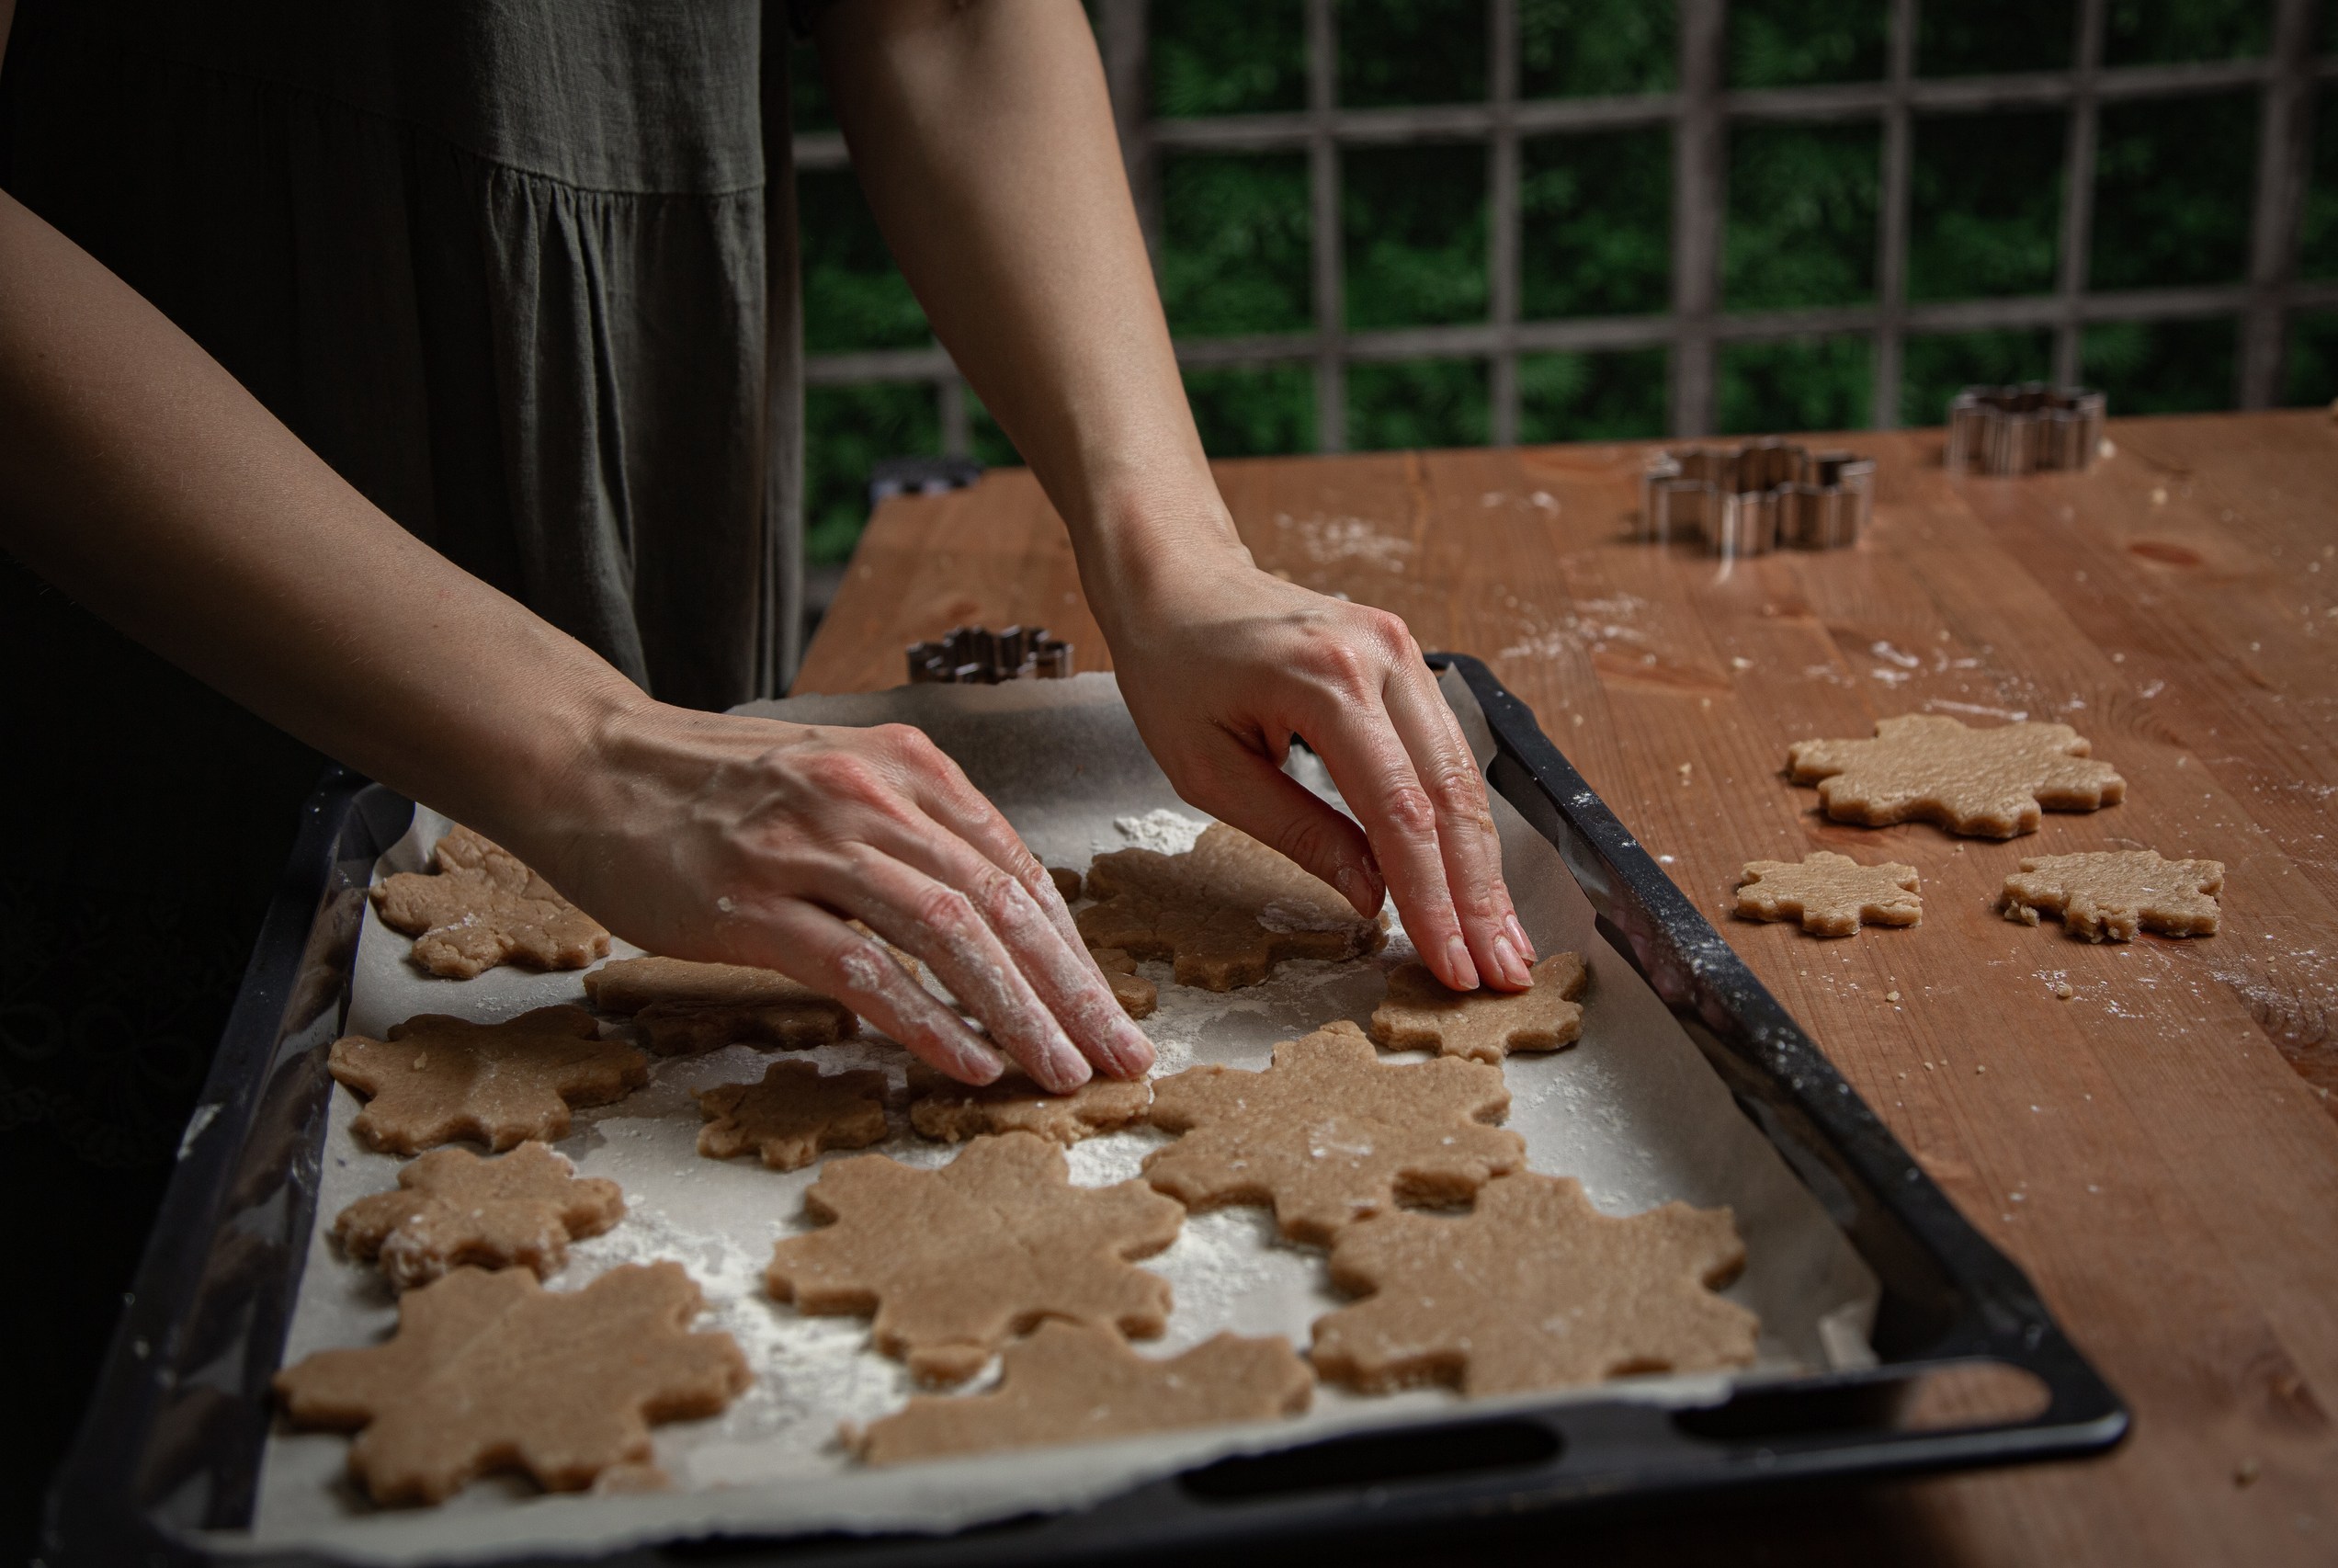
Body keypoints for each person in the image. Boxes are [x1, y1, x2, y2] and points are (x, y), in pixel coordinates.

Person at [0, 0, 1534, 1103]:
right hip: (163, 607)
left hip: (655, 481)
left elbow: (940, 18)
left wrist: (1168, 547)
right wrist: (589, 753)